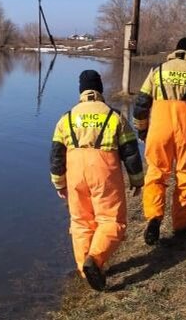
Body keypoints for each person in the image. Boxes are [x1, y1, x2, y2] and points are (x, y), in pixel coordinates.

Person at [50, 70, 144, 291]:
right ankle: (95, 259)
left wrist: (59, 182)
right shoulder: (114, 116)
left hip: (74, 171)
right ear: (100, 89)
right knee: (111, 220)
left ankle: (86, 271)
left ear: (81, 91)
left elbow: (56, 154)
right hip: (104, 170)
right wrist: (137, 180)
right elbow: (130, 152)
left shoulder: (67, 118)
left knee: (81, 222)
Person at [132, 37, 186, 245]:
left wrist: (142, 130)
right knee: (184, 175)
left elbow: (141, 104)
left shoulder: (158, 71)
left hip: (159, 127)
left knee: (156, 173)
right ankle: (181, 224)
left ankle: (154, 217)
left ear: (176, 50)